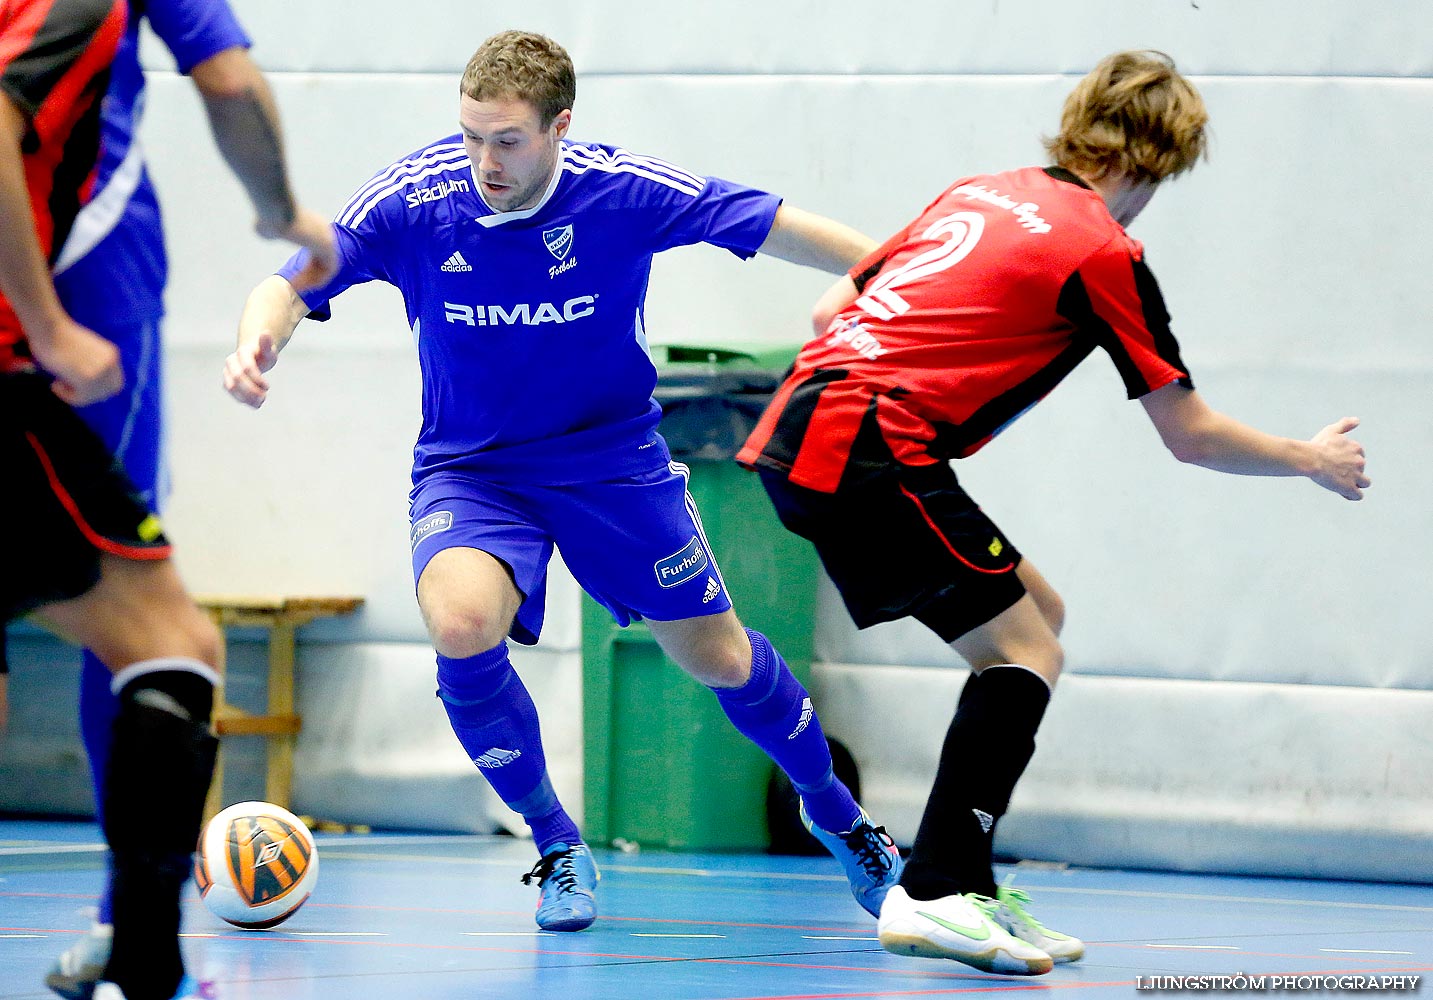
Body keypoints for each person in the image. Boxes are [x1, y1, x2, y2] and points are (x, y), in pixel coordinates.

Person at [224, 29, 904, 932]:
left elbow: (776, 225)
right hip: (474, 470)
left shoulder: (622, 189)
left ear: (558, 128)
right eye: (469, 135)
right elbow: (293, 279)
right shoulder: (416, 200)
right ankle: (555, 843)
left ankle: (838, 816)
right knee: (462, 624)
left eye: (505, 140)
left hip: (611, 462)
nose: (482, 161)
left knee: (718, 657)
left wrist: (890, 276)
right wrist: (257, 339)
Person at [739, 50, 1369, 976]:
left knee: (1041, 619)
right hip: (871, 446)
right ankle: (934, 892)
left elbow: (829, 305)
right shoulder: (1103, 250)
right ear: (1154, 163)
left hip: (802, 427)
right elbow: (1187, 433)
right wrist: (1307, 459)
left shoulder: (978, 192)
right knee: (1024, 651)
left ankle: (973, 885)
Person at [0, 3, 335, 1000]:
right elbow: (227, 83)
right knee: (163, 637)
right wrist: (50, 323)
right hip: (71, 294)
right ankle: (137, 947)